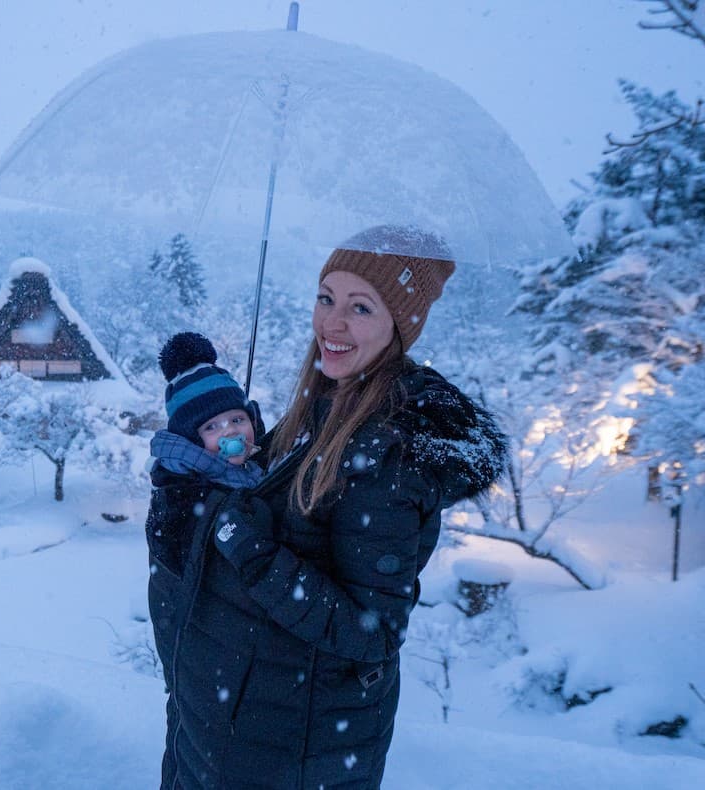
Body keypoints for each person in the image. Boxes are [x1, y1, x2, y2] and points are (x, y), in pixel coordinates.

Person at [160, 225, 507, 789]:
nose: (332, 323)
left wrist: (249, 548)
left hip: (291, 750)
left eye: (361, 307)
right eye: (326, 298)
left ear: (401, 326)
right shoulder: (321, 410)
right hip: (234, 729)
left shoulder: (388, 454)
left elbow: (371, 633)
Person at [144, 332, 265, 787]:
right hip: (201, 660)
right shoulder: (185, 491)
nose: (231, 432)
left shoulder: (243, 472)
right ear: (191, 439)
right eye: (213, 427)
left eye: (237, 418)